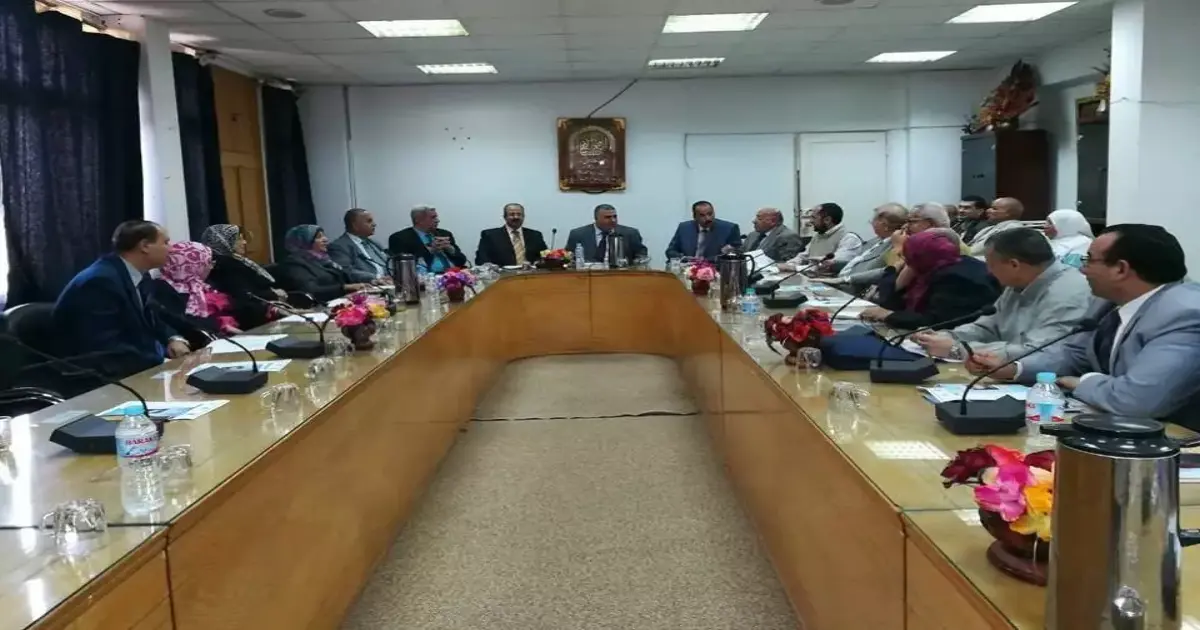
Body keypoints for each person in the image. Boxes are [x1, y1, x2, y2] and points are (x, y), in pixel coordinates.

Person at [966, 224, 1200, 428]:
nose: (1081, 269)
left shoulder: (1184, 314)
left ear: (1121, 269)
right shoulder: (1107, 302)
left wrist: (1083, 382)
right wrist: (1014, 368)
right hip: (1117, 425)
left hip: (1178, 438)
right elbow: (1074, 353)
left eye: (1089, 260)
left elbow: (1137, 400)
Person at [914, 228, 1091, 362]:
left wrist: (960, 349)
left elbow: (1037, 351)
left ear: (1014, 265)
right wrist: (948, 336)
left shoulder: (1069, 293)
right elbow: (988, 327)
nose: (989, 272)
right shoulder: (1017, 283)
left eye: (991, 265)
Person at [52, 220, 191, 379]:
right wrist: (161, 362)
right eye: (165, 242)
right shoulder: (100, 281)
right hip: (94, 375)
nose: (171, 249)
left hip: (132, 365)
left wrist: (173, 339)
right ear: (145, 246)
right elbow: (106, 346)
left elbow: (152, 319)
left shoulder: (140, 275)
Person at [859, 228, 999, 330]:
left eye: (909, 255)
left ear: (921, 255)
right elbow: (887, 300)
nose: (905, 259)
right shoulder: (933, 266)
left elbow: (936, 321)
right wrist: (905, 272)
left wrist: (888, 315)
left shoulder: (957, 278)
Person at [146, 241, 264, 348]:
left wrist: (265, 309)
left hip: (229, 341)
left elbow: (236, 306)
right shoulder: (165, 290)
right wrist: (220, 327)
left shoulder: (202, 284)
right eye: (207, 262)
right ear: (193, 265)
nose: (211, 266)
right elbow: (186, 325)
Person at [201, 224, 295, 317]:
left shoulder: (237, 261)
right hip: (249, 315)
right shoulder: (225, 266)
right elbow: (244, 295)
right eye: (239, 239)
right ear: (224, 241)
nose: (244, 242)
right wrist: (272, 294)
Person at [275, 225, 369, 302]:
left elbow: (345, 276)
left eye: (324, 236)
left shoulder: (324, 260)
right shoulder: (294, 264)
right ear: (304, 241)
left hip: (339, 302)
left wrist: (368, 282)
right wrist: (344, 288)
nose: (325, 239)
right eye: (319, 237)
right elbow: (311, 291)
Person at [828, 203, 908, 289]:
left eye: (873, 220)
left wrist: (845, 279)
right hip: (840, 284)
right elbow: (858, 264)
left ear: (885, 225)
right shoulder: (875, 240)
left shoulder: (896, 246)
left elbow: (888, 272)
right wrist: (833, 264)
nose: (871, 223)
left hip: (855, 291)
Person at [780, 203, 864, 272]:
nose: (810, 221)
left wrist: (795, 268)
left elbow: (828, 265)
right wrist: (788, 265)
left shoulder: (850, 239)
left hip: (833, 284)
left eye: (813, 217)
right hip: (812, 279)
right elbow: (803, 256)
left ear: (827, 220)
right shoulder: (818, 236)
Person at [388, 205, 468, 274]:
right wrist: (430, 251)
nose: (438, 220)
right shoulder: (400, 238)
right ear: (418, 220)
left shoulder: (444, 233)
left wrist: (451, 249)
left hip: (453, 275)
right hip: (425, 278)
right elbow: (403, 267)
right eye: (433, 217)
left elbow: (462, 261)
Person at [564, 204, 647, 264]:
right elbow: (568, 257)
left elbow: (641, 254)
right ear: (596, 218)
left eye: (615, 216)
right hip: (587, 276)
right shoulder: (578, 234)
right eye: (607, 217)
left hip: (620, 275)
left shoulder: (630, 233)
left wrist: (637, 261)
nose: (613, 220)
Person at [327, 208, 392, 283]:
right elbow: (345, 270)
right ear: (355, 225)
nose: (374, 224)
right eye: (369, 221)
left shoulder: (374, 243)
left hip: (390, 282)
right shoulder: (338, 246)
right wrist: (377, 278)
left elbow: (389, 262)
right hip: (368, 285)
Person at [664, 200, 741, 261]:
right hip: (687, 268)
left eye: (710, 214)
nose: (708, 218)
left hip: (716, 270)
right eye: (702, 215)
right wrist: (684, 258)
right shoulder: (684, 228)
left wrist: (702, 261)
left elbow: (737, 254)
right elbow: (670, 251)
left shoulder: (729, 228)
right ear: (694, 217)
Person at [475, 203, 548, 267]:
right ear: (505, 217)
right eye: (512, 214)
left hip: (532, 275)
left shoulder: (535, 235)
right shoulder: (490, 235)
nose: (516, 217)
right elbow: (482, 260)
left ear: (523, 217)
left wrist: (539, 262)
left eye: (519, 214)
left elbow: (546, 257)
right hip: (503, 276)